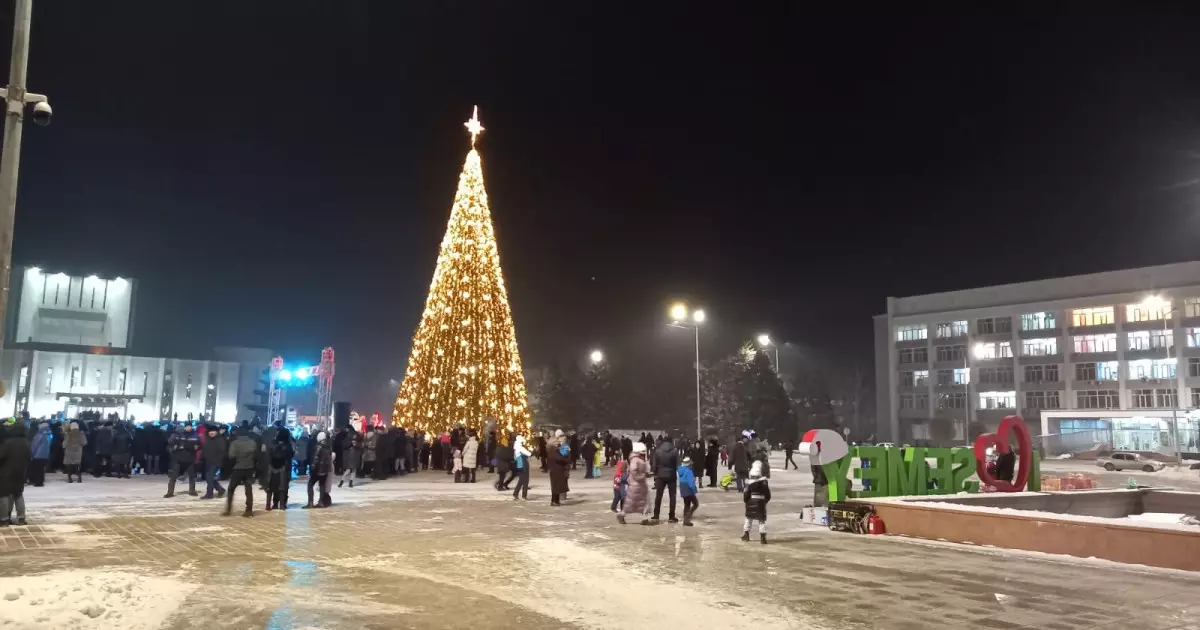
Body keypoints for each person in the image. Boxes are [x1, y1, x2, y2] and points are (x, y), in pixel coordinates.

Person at [0, 421, 31, 526]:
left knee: (3, 495)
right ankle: (21, 518)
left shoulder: (8, 442)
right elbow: (29, 457)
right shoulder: (26, 442)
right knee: (18, 494)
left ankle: (4, 519)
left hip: (6, 473)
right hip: (20, 472)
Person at [224, 425, 258, 517]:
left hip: (238, 468)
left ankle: (228, 509)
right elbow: (256, 455)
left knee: (231, 489)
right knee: (248, 489)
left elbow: (231, 455)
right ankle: (249, 510)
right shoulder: (252, 442)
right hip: (249, 468)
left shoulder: (235, 443)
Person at [618, 442, 650, 525]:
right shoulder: (636, 460)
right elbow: (633, 471)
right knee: (635, 502)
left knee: (638, 502)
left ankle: (644, 517)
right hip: (637, 485)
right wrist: (643, 476)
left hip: (639, 484)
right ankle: (623, 515)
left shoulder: (637, 459)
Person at [165, 425, 200, 498]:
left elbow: (199, 445)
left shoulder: (195, 435)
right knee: (173, 476)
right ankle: (170, 492)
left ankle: (192, 491)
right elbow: (170, 445)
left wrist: (195, 447)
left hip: (190, 459)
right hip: (178, 459)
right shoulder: (179, 435)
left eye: (189, 426)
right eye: (187, 426)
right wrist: (176, 448)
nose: (188, 428)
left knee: (192, 476)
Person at [742, 460, 771, 544]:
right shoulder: (764, 482)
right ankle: (763, 537)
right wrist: (764, 501)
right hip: (761, 502)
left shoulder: (748, 483)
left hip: (750, 501)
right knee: (761, 520)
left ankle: (746, 534)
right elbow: (768, 494)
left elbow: (746, 494)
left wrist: (746, 501)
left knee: (748, 518)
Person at [651, 437, 679, 523]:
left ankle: (656, 515)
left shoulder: (658, 451)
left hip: (660, 476)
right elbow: (678, 465)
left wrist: (655, 474)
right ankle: (671, 516)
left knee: (658, 496)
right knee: (672, 496)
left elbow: (654, 466)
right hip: (671, 476)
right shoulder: (674, 452)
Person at [266, 428, 293, 510]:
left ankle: (274, 503)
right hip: (285, 468)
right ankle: (283, 504)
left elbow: (269, 454)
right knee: (284, 486)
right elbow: (291, 455)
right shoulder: (288, 445)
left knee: (273, 485)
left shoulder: (273, 443)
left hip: (273, 467)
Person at [306, 431, 333, 508]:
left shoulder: (319, 446)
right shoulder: (328, 446)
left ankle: (310, 503)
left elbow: (316, 458)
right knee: (322, 485)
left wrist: (312, 467)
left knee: (310, 485)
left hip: (318, 470)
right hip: (325, 470)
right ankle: (321, 502)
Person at [200, 426, 227, 499]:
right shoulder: (207, 439)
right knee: (209, 478)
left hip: (215, 462)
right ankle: (220, 490)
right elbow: (204, 450)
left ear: (216, 432)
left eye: (213, 431)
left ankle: (209, 494)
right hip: (208, 462)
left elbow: (222, 452)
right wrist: (201, 458)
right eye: (210, 431)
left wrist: (219, 462)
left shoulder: (220, 440)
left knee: (209, 478)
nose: (211, 433)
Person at [548, 433, 570, 506]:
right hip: (555, 470)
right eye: (556, 441)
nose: (558, 442)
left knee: (556, 487)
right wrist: (566, 460)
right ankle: (554, 501)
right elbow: (559, 458)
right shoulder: (552, 450)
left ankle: (556, 500)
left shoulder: (555, 449)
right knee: (555, 487)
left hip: (557, 470)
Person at [28, 423, 51, 487]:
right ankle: (41, 481)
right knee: (41, 469)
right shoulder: (49, 435)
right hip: (46, 455)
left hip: (38, 455)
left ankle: (37, 482)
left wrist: (32, 453)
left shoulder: (39, 435)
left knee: (37, 469)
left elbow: (34, 445)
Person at [679, 456, 699, 526]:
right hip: (688, 489)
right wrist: (694, 489)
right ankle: (687, 518)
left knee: (687, 504)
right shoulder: (689, 471)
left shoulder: (681, 470)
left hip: (683, 488)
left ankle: (685, 517)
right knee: (696, 504)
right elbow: (691, 482)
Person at [511, 434, 531, 500]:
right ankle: (524, 496)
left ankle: (515, 494)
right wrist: (531, 450)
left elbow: (515, 458)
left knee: (521, 480)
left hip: (519, 465)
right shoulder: (520, 447)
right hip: (524, 464)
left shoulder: (515, 448)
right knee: (525, 480)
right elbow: (529, 454)